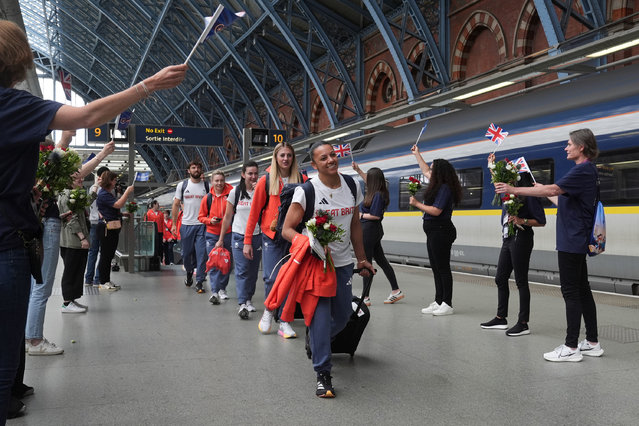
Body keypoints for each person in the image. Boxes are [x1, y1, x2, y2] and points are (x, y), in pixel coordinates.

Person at [0, 18, 187, 424]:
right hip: (6, 245)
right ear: (15, 62)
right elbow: (86, 115)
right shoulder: (11, 105)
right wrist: (149, 84)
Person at [496, 129, 604, 362]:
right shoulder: (587, 171)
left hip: (571, 241)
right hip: (576, 238)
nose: (566, 148)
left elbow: (554, 190)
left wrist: (513, 189)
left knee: (571, 292)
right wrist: (541, 189)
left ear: (581, 147)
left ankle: (571, 347)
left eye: (569, 144)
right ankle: (592, 342)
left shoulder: (582, 169)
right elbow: (560, 199)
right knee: (583, 290)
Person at [282, 141, 373, 398]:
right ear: (315, 164)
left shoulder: (353, 185)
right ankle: (323, 373)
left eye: (333, 155)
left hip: (343, 264)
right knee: (322, 317)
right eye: (324, 158)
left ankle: (316, 337)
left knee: (343, 316)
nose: (331, 160)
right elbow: (287, 229)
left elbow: (355, 223)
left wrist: (362, 258)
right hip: (317, 265)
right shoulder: (307, 191)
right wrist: (309, 242)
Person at [26, 132, 115, 356]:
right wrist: (67, 134)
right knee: (42, 286)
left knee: (34, 286)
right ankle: (34, 340)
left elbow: (76, 170)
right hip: (49, 225)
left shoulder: (27, 172)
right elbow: (64, 156)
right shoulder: (43, 174)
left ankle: (29, 336)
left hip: (37, 226)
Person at [243, 142, 306, 338]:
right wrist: (247, 241)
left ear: (293, 158)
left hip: (294, 236)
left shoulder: (302, 179)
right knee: (271, 277)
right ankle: (269, 311)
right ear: (276, 158)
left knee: (291, 278)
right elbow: (254, 213)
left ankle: (284, 320)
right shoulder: (266, 180)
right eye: (282, 155)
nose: (286, 159)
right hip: (271, 236)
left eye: (289, 155)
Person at [480, 153, 546, 336]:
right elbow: (497, 182)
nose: (506, 180)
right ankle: (501, 318)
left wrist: (521, 219)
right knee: (500, 278)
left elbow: (541, 221)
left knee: (521, 281)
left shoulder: (528, 195)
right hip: (508, 238)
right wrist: (490, 165)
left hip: (522, 237)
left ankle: (523, 323)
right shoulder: (509, 191)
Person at [409, 146, 462, 316]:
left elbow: (436, 210)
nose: (429, 171)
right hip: (433, 231)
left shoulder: (444, 188)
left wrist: (417, 204)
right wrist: (417, 154)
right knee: (435, 267)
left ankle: (447, 303)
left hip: (441, 230)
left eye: (432, 169)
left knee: (443, 267)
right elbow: (424, 169)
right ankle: (439, 300)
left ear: (439, 172)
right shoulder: (438, 184)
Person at [215, 161, 261, 319]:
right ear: (243, 174)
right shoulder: (235, 192)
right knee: (242, 270)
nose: (253, 176)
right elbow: (227, 217)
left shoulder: (261, 191)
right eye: (250, 173)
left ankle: (249, 298)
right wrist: (221, 239)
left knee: (253, 272)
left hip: (257, 236)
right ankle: (242, 303)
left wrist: (259, 193)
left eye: (255, 173)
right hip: (239, 236)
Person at [352, 162, 401, 305]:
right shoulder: (377, 191)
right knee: (382, 261)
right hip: (371, 231)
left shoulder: (378, 195)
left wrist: (360, 215)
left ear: (373, 181)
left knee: (366, 262)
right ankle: (396, 290)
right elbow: (368, 179)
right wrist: (359, 170)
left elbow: (375, 215)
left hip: (370, 231)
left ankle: (365, 297)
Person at [172, 161, 209, 293]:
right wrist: (174, 224)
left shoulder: (206, 185)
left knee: (202, 255)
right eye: (193, 168)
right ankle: (189, 272)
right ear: (188, 170)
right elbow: (176, 204)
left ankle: (199, 281)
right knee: (186, 254)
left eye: (198, 167)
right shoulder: (182, 185)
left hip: (202, 225)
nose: (196, 169)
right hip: (186, 225)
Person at [58, 173, 92, 313]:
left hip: (76, 241)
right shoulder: (66, 196)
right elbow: (71, 219)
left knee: (77, 270)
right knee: (70, 271)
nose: (81, 179)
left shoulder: (74, 194)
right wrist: (82, 238)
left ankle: (71, 300)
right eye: (77, 178)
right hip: (72, 241)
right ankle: (66, 303)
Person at [96, 171, 135, 290]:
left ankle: (106, 279)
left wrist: (123, 214)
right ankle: (103, 281)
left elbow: (111, 209)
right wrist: (127, 192)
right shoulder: (103, 194)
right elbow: (117, 205)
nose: (115, 183)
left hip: (111, 228)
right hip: (107, 229)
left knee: (109, 255)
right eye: (114, 180)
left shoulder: (107, 193)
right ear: (109, 181)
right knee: (105, 255)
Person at [198, 170, 233, 300]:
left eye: (221, 180)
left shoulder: (231, 195)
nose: (219, 183)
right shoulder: (207, 198)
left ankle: (222, 289)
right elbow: (201, 217)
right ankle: (214, 290)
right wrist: (210, 221)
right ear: (212, 182)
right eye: (216, 181)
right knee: (213, 262)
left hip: (228, 234)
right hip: (211, 234)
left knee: (225, 263)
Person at [85, 166, 110, 285]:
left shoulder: (92, 188)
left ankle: (88, 278)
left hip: (93, 223)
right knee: (103, 252)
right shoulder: (105, 190)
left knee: (92, 252)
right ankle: (97, 279)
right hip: (102, 223)